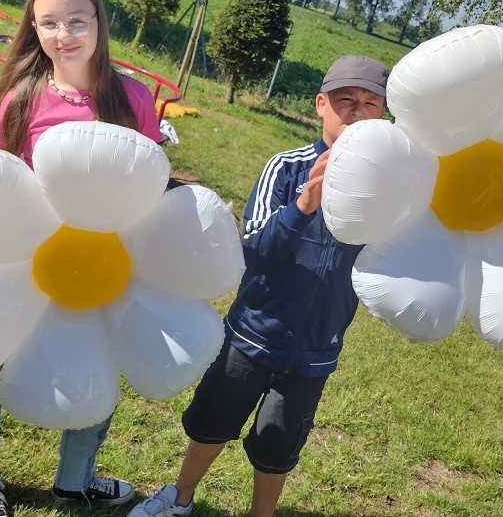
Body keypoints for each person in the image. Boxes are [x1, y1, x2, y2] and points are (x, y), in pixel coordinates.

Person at [127, 55, 389, 517]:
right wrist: (304, 203)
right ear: (320, 105)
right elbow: (254, 253)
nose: (356, 111)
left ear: (383, 116)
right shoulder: (287, 169)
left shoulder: (386, 192)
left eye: (371, 104)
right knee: (211, 422)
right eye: (346, 100)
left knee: (278, 444)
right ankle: (181, 496)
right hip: (252, 334)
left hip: (315, 349)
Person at [0, 0, 163, 517]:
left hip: (98, 266)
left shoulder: (133, 100)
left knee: (95, 368)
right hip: (25, 261)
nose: (64, 33)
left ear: (99, 21)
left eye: (77, 19)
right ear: (34, 28)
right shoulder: (22, 100)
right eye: (48, 22)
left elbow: (149, 186)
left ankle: (75, 481)